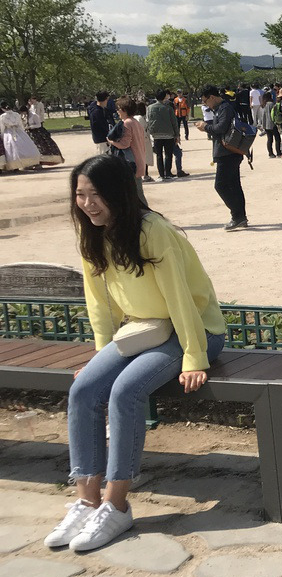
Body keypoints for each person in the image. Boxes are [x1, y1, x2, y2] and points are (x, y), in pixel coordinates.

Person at [43, 155, 226, 553]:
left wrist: (195, 357)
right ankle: (87, 501)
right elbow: (98, 302)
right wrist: (99, 357)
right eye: (80, 195)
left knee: (125, 392)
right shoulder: (92, 233)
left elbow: (180, 298)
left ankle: (116, 505)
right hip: (143, 331)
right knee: (84, 391)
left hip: (195, 329)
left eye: (96, 195)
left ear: (118, 193)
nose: (87, 204)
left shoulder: (152, 230)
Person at [196, 84, 248, 230]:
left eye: (205, 101)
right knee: (234, 186)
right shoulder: (222, 108)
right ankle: (240, 217)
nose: (205, 104)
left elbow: (221, 128)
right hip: (230, 152)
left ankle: (237, 216)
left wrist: (205, 127)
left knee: (221, 185)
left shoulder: (224, 108)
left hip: (228, 153)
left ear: (212, 97)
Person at [106, 98, 148, 187]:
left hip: (131, 162)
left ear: (124, 110)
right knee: (137, 190)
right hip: (139, 160)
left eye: (118, 109)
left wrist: (111, 142)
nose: (117, 111)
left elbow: (124, 144)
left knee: (132, 191)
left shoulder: (127, 123)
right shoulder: (135, 122)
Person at [145, 90, 179, 181]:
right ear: (164, 97)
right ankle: (168, 172)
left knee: (159, 155)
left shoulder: (150, 108)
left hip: (156, 134)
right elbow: (174, 122)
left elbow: (148, 120)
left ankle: (161, 174)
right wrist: (177, 135)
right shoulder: (168, 108)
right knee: (168, 154)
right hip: (168, 134)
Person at [2, 101, 42, 171]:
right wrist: (22, 131)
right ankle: (32, 162)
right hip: (18, 131)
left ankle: (15, 166)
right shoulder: (17, 114)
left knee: (12, 149)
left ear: (2, 108)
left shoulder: (2, 116)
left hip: (9, 132)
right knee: (26, 146)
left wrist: (2, 135)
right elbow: (20, 124)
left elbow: (2, 127)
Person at [25, 96, 64, 166]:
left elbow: (41, 113)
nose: (31, 101)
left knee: (42, 141)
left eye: (31, 100)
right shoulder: (31, 107)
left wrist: (39, 120)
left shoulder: (39, 104)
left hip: (38, 122)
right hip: (31, 126)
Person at [87, 91, 117, 155]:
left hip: (103, 138)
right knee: (104, 156)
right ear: (106, 99)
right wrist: (107, 136)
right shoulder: (97, 112)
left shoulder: (101, 109)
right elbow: (99, 127)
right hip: (102, 139)